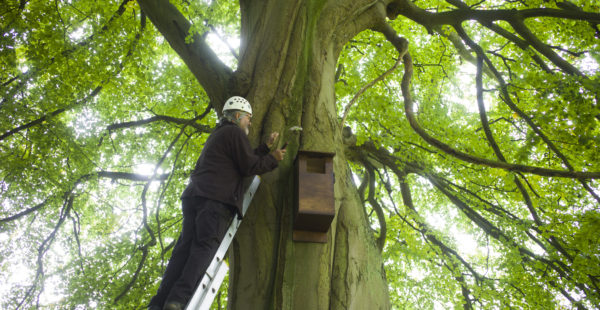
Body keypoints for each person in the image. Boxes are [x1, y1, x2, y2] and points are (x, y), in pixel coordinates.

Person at [148, 96, 286, 310]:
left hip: (195, 197)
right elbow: (249, 167)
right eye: (248, 118)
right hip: (216, 201)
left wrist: (264, 149)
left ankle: (160, 302)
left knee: (184, 250)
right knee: (204, 247)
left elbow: (242, 159)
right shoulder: (234, 133)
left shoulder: (219, 134)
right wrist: (273, 159)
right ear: (238, 116)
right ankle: (178, 300)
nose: (250, 122)